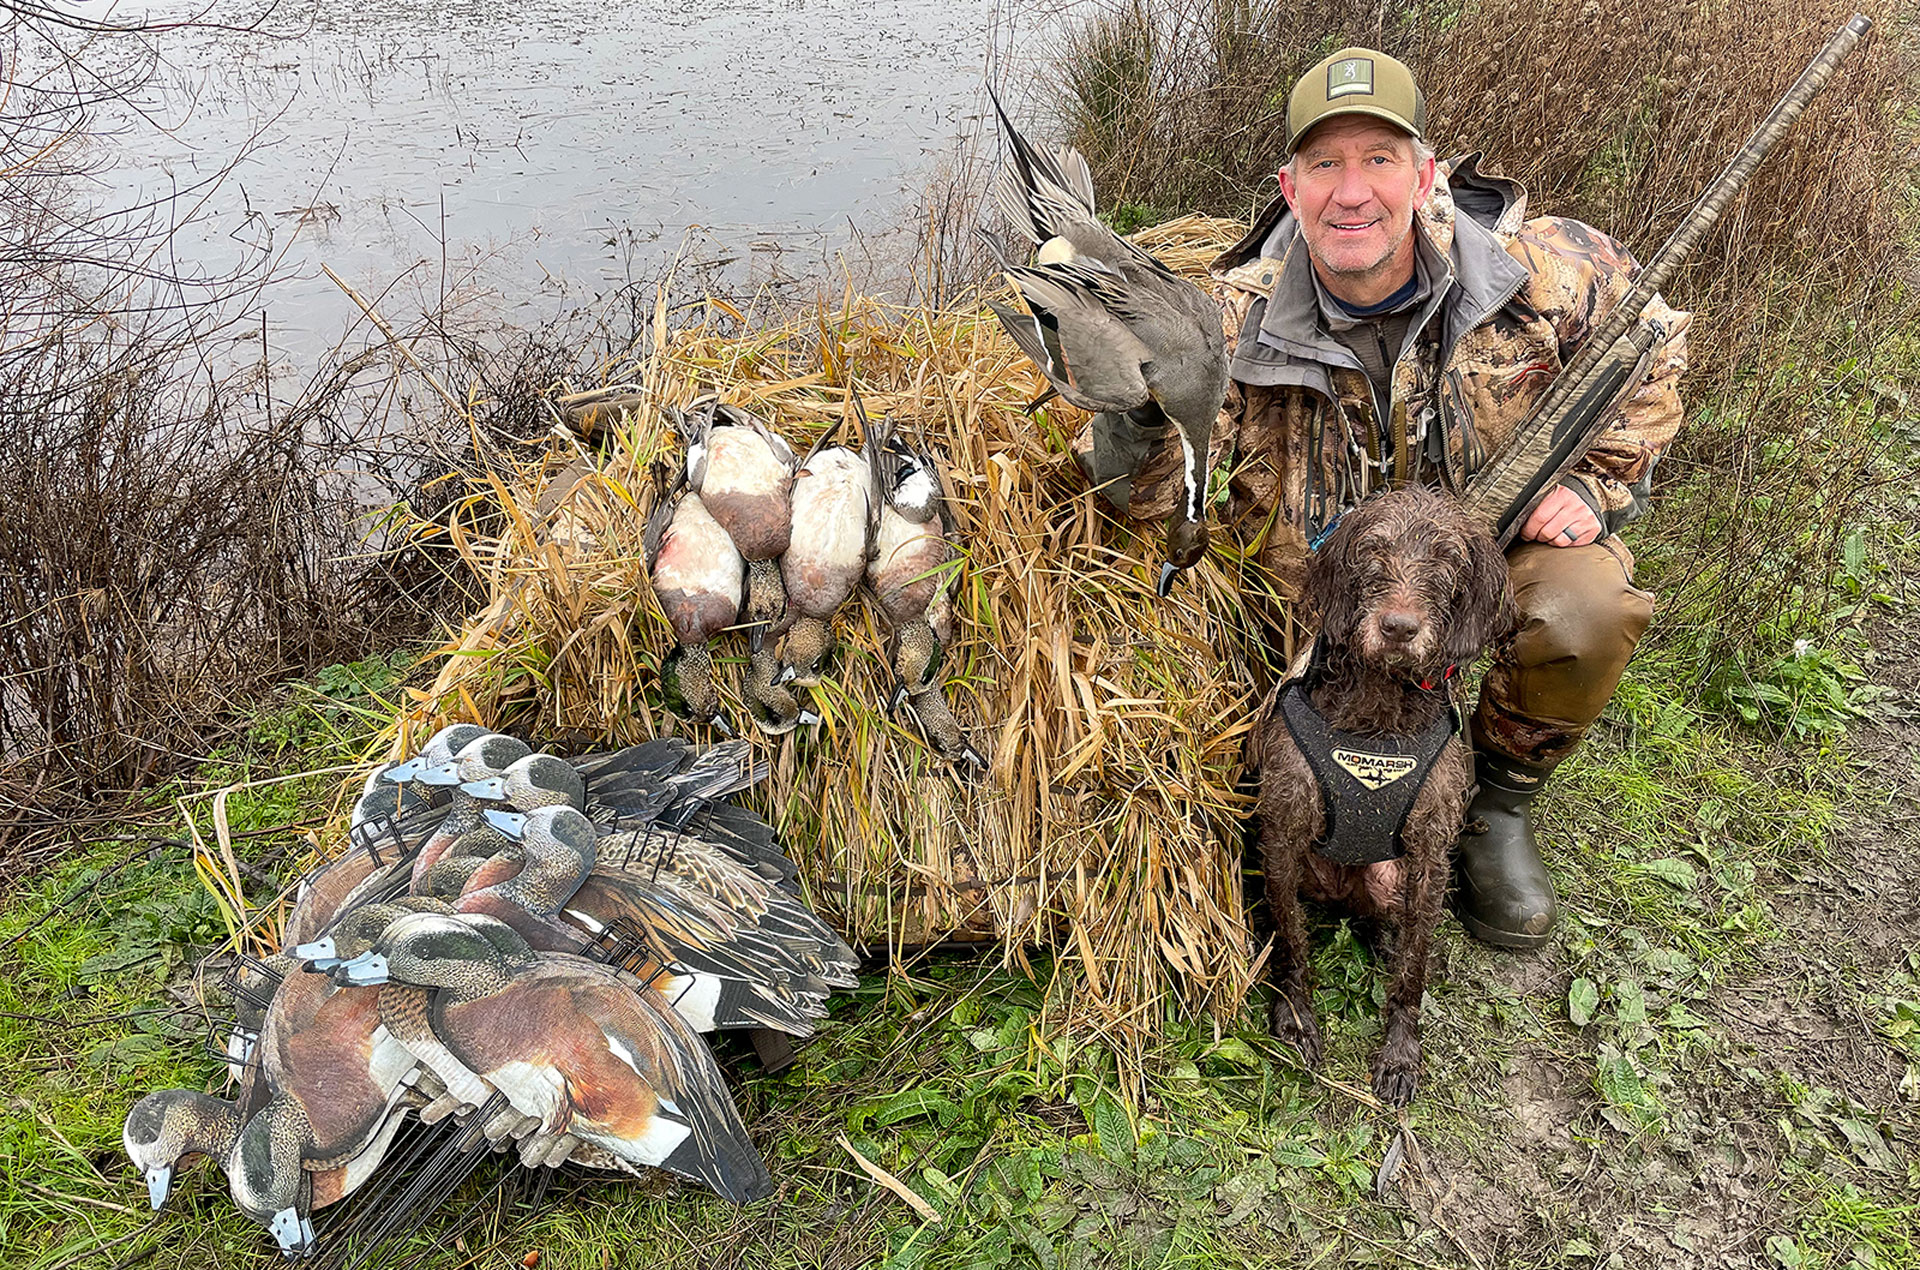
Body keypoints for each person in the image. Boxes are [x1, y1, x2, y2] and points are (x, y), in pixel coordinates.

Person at [1081, 47, 1690, 949]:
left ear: (1426, 173)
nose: (1352, 192)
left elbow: (1658, 351)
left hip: (1478, 561)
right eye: (1325, 164)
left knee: (1582, 607)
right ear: (1290, 189)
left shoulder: (1549, 272)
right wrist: (1133, 416)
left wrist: (1597, 483)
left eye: (1379, 160)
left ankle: (1494, 809)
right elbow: (1155, 503)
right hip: (1318, 595)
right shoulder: (1228, 323)